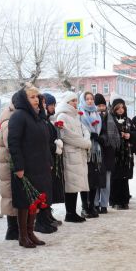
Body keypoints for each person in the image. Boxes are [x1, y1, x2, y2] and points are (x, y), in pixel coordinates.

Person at [8, 85, 53, 248]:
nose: (36, 100)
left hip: (39, 165)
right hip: (25, 167)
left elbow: (45, 143)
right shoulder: (19, 116)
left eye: (37, 97)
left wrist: (49, 162)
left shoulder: (38, 117)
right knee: (24, 202)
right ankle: (22, 235)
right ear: (24, 99)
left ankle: (30, 232)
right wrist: (19, 167)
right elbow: (13, 143)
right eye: (32, 97)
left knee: (35, 201)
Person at [55, 92, 91, 222]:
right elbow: (67, 135)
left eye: (76, 100)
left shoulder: (75, 116)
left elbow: (85, 131)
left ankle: (73, 212)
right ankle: (70, 213)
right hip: (70, 154)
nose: (76, 103)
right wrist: (85, 143)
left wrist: (86, 141)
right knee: (71, 185)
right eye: (73, 101)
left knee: (76, 184)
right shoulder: (63, 116)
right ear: (67, 102)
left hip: (79, 153)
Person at [39, 92, 63, 231]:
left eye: (54, 105)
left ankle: (48, 213)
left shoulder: (48, 119)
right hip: (47, 156)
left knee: (50, 187)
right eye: (50, 105)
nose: (52, 107)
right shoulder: (43, 120)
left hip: (51, 156)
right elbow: (45, 141)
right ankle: (44, 216)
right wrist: (55, 146)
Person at [0, 95, 19, 240]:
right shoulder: (8, 121)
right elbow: (11, 143)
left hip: (12, 163)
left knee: (12, 195)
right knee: (9, 195)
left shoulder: (14, 117)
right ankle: (12, 230)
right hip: (9, 165)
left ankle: (14, 228)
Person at [109, 98, 136, 207]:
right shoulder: (111, 120)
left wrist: (129, 135)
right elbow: (109, 134)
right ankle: (114, 200)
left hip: (126, 154)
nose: (121, 110)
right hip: (115, 154)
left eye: (122, 107)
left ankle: (124, 200)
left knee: (124, 178)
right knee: (115, 178)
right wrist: (118, 136)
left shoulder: (128, 120)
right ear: (114, 109)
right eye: (118, 108)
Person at [79, 91, 102, 218]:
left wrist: (99, 137)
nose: (89, 101)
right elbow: (78, 129)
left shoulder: (96, 114)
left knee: (94, 179)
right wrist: (88, 136)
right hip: (85, 150)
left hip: (96, 150)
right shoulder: (80, 113)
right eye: (87, 99)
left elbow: (101, 130)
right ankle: (84, 206)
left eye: (91, 99)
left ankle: (92, 205)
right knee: (85, 179)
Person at [93, 94, 117, 214]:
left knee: (106, 181)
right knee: (96, 180)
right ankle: (95, 203)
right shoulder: (93, 117)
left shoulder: (110, 118)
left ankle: (104, 204)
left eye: (103, 105)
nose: (101, 108)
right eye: (99, 105)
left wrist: (102, 138)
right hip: (96, 153)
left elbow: (112, 136)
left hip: (108, 153)